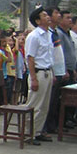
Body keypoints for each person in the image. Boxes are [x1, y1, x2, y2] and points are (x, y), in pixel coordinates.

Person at [24, 8, 54, 145]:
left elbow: (49, 56)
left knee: (44, 106)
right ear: (37, 20)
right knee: (35, 105)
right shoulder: (34, 36)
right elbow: (30, 58)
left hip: (47, 71)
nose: (48, 17)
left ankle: (37, 131)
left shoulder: (48, 34)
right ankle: (28, 133)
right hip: (38, 73)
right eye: (44, 15)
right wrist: (34, 78)